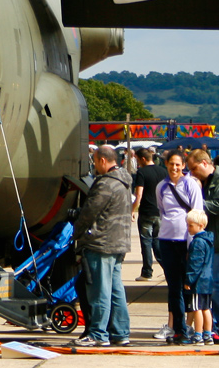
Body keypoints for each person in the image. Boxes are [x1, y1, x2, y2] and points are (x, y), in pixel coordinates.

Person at [71, 144, 132, 347]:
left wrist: (76, 232)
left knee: (99, 290)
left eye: (95, 161)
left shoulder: (105, 183)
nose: (95, 166)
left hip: (101, 243)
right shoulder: (124, 181)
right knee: (116, 289)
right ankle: (121, 331)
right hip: (119, 242)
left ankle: (98, 333)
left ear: (103, 161)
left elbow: (90, 211)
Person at [187, 149, 219, 342]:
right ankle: (215, 324)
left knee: (215, 282)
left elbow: (218, 206)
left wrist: (197, 204)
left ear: (204, 164)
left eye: (194, 168)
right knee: (214, 282)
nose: (192, 172)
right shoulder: (209, 180)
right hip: (212, 237)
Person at [157, 150, 204, 344]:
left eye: (178, 164)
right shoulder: (161, 186)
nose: (174, 168)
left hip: (186, 242)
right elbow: (162, 211)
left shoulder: (191, 184)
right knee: (173, 287)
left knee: (189, 287)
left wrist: (193, 245)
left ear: (183, 165)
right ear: (166, 164)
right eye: (171, 164)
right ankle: (178, 329)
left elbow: (198, 211)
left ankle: (193, 329)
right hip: (167, 241)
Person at [131, 148, 167, 283]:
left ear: (143, 159)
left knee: (146, 242)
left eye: (138, 160)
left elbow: (139, 194)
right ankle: (167, 268)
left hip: (146, 212)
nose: (138, 163)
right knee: (158, 242)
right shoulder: (163, 171)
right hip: (159, 211)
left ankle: (147, 272)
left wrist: (132, 209)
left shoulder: (142, 172)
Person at [184, 209, 215, 345]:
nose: (188, 228)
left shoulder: (197, 242)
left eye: (191, 225)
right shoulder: (209, 240)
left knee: (196, 309)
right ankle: (208, 334)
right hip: (207, 280)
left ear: (200, 225)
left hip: (198, 281)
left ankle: (198, 334)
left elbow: (195, 264)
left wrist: (189, 280)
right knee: (206, 308)